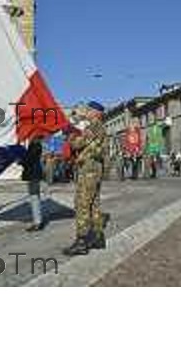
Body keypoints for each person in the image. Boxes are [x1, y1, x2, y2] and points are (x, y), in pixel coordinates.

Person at [64, 100, 107, 256]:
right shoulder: (99, 127)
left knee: (82, 203)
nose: (86, 113)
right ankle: (97, 237)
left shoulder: (94, 126)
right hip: (94, 168)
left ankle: (81, 241)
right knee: (93, 203)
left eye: (89, 110)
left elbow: (77, 144)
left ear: (96, 113)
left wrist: (69, 134)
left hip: (89, 168)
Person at [22, 138, 44, 231]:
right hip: (34, 173)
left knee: (34, 197)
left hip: (33, 174)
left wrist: (21, 160)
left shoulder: (35, 145)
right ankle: (37, 220)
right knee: (34, 197)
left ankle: (37, 222)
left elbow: (30, 158)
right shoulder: (36, 144)